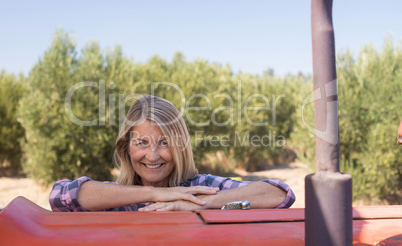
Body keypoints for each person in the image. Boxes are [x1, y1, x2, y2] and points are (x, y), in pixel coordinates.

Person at [49, 95, 295, 212]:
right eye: (142, 143)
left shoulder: (199, 187)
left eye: (164, 143)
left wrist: (195, 203)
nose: (152, 156)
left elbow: (279, 193)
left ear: (181, 147)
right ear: (126, 148)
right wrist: (155, 193)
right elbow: (59, 195)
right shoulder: (117, 196)